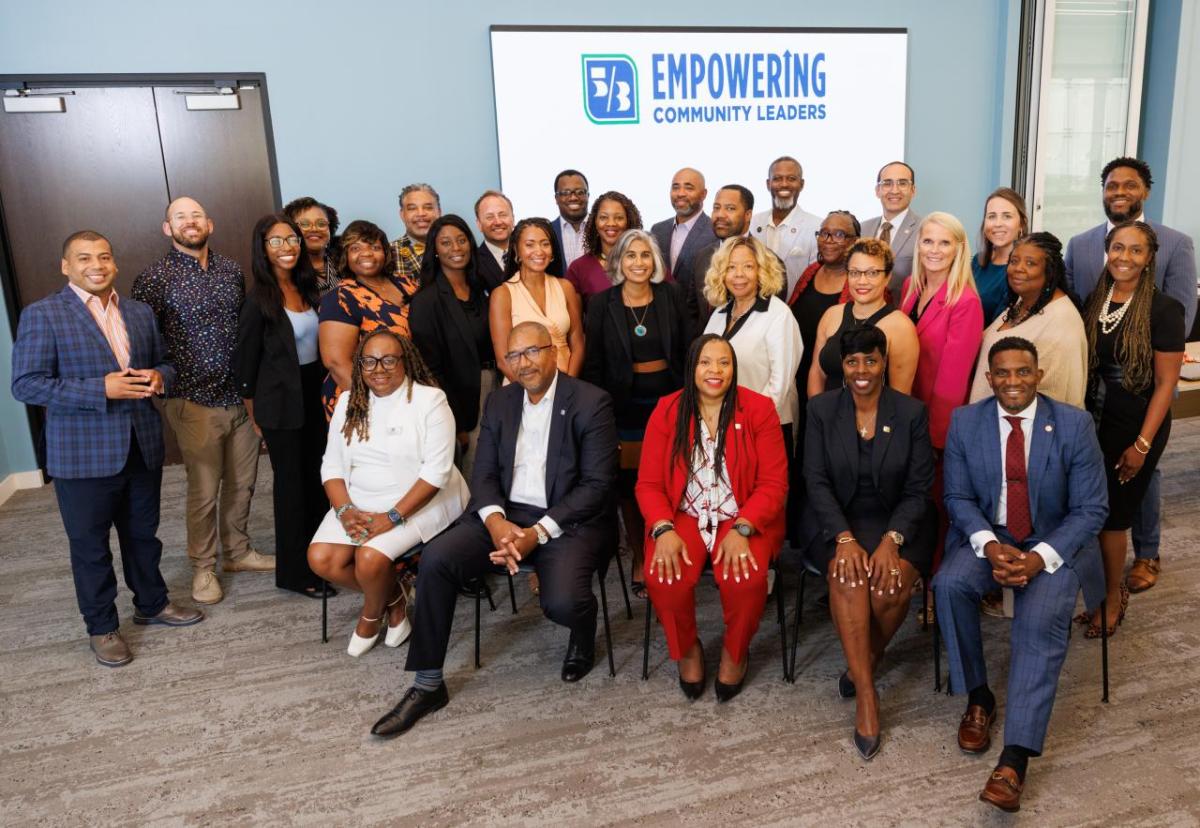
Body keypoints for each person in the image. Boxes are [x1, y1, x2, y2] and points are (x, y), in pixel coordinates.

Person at [369, 322, 618, 738]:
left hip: (566, 520)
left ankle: (583, 626)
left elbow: (597, 485)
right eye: (514, 356)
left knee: (562, 603)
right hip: (503, 516)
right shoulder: (501, 402)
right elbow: (482, 473)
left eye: (533, 351)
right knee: (437, 559)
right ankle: (428, 684)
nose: (524, 363)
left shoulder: (591, 403)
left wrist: (536, 532)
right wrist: (497, 521)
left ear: (554, 351)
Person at [12, 230, 203, 667]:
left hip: (142, 444)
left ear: (114, 263)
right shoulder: (43, 315)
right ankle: (101, 626)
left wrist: (160, 378)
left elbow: (167, 364)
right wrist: (101, 388)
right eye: (84, 258)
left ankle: (151, 604)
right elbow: (26, 385)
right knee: (91, 546)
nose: (96, 264)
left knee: (142, 535)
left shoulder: (137, 312)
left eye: (103, 256)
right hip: (82, 455)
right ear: (66, 266)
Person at [934, 336, 1108, 813]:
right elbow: (958, 500)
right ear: (989, 380)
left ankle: (1014, 760)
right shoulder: (967, 422)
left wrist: (1039, 556)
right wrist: (990, 547)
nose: (1014, 381)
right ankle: (979, 696)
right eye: (1004, 374)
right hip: (990, 536)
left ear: (1039, 375)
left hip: (1054, 542)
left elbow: (1092, 508)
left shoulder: (1073, 424)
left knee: (1038, 622)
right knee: (948, 585)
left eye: (1023, 372)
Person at [800, 326, 936, 759]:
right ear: (842, 365)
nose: (862, 370)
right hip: (837, 520)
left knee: (888, 589)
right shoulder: (821, 410)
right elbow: (815, 482)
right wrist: (843, 537)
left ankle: (865, 661)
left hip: (898, 519)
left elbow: (918, 489)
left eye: (871, 360)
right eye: (853, 361)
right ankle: (867, 695)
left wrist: (892, 540)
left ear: (884, 362)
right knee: (849, 579)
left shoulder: (911, 413)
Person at [1065, 157, 1197, 594]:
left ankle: (1146, 555)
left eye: (1130, 185)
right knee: (1099, 506)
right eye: (1111, 185)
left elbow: (1171, 345)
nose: (1119, 192)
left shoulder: (1173, 256)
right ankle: (1098, 581)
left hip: (1139, 408)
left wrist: (1142, 440)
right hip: (1094, 411)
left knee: (1131, 493)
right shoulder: (1084, 254)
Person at [133, 197, 274, 606]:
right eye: (181, 217)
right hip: (192, 400)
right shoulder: (154, 278)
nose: (190, 222)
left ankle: (238, 552)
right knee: (205, 490)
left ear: (209, 223)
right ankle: (203, 567)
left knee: (243, 483)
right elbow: (144, 341)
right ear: (167, 228)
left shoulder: (231, 270)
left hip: (239, 396)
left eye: (196, 216)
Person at [636, 335, 788, 701]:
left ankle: (736, 653)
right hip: (681, 515)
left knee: (746, 578)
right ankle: (687, 649)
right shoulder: (668, 410)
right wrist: (663, 528)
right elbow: (649, 483)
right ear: (692, 367)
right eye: (706, 362)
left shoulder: (759, 409)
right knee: (663, 575)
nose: (715, 371)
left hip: (740, 515)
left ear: (734, 369)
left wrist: (743, 527)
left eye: (724, 363)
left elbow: (773, 483)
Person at [307, 329, 469, 657]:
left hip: (419, 499)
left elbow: (435, 474)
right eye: (369, 361)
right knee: (321, 559)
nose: (378, 369)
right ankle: (394, 603)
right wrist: (344, 511)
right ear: (359, 365)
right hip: (359, 499)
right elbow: (332, 467)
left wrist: (392, 517)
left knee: (369, 558)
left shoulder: (429, 400)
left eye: (388, 360)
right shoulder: (348, 402)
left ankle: (370, 617)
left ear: (405, 361)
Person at [1078, 220, 1185, 637]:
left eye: (1135, 250)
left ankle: (1111, 598)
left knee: (1114, 518)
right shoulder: (1097, 298)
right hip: (1094, 420)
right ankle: (1100, 592)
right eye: (1117, 248)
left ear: (1149, 258)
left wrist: (1141, 444)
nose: (1125, 257)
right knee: (1093, 513)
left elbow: (1164, 385)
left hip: (1138, 422)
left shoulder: (1164, 309)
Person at [583, 229, 691, 599]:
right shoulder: (601, 304)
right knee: (631, 486)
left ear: (655, 261)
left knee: (673, 477)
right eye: (630, 256)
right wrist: (603, 416)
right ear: (618, 262)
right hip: (624, 409)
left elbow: (690, 351)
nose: (638, 263)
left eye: (645, 255)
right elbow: (593, 365)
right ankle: (641, 556)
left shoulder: (672, 296)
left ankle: (673, 547)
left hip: (671, 405)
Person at [234, 214, 331, 599]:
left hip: (314, 394)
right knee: (292, 490)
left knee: (320, 482)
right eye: (275, 241)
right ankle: (295, 573)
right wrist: (256, 416)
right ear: (263, 249)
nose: (286, 247)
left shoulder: (309, 288)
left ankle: (322, 559)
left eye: (291, 239)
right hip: (280, 405)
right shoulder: (259, 300)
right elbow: (245, 364)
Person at [409, 215, 499, 479]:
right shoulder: (426, 301)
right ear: (435, 250)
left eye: (461, 240)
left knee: (497, 466)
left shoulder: (482, 288)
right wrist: (454, 422)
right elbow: (430, 368)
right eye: (446, 243)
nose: (456, 248)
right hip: (463, 399)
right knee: (474, 471)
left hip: (497, 384)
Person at [702, 236, 803, 456]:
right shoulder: (719, 313)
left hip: (764, 428)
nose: (739, 275)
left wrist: (747, 424)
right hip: (721, 425)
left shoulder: (779, 315)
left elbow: (779, 386)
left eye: (748, 267)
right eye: (731, 267)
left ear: (762, 271)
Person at [969, 232, 1086, 407]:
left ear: (1049, 271)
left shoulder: (1062, 320)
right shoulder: (1022, 301)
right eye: (1014, 261)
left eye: (1030, 263)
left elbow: (1058, 393)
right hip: (988, 418)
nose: (1018, 268)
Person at [901, 213, 985, 452]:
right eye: (928, 241)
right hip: (906, 409)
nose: (934, 250)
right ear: (918, 244)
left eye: (944, 243)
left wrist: (935, 440)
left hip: (934, 424)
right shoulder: (911, 287)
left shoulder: (965, 302)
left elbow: (952, 384)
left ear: (958, 249)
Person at [318, 219, 410, 418]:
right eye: (356, 248)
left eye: (375, 247)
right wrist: (376, 406)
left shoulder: (408, 284)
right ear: (346, 256)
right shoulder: (340, 298)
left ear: (385, 252)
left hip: (406, 392)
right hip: (361, 400)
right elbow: (337, 362)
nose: (366, 253)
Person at [808, 238, 919, 396]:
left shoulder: (901, 327)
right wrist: (817, 415)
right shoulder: (831, 315)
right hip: (826, 416)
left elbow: (899, 396)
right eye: (855, 273)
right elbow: (817, 373)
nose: (862, 281)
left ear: (887, 277)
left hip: (874, 419)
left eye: (872, 273)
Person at [490, 217, 585, 380]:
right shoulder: (503, 294)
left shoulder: (565, 287)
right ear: (516, 250)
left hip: (567, 385)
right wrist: (535, 395)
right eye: (530, 244)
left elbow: (578, 345)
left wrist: (568, 387)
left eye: (545, 244)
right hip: (521, 389)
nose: (539, 251)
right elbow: (503, 359)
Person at [750, 156, 821, 297]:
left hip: (797, 312)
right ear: (768, 184)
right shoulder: (752, 223)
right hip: (754, 310)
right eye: (777, 179)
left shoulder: (817, 227)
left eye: (791, 179)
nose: (784, 184)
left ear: (801, 184)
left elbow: (817, 277)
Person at [690, 184, 756, 327]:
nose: (720, 214)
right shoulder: (702, 256)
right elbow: (693, 314)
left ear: (748, 215)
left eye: (730, 208)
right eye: (716, 208)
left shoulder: (768, 261)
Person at [565, 190, 644, 302]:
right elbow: (575, 318)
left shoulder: (645, 262)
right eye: (603, 217)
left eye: (619, 218)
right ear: (594, 222)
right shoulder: (578, 268)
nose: (611, 223)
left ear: (628, 222)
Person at [650, 167, 717, 296]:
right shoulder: (658, 230)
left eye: (689, 188)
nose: (680, 193)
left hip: (698, 314)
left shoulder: (714, 233)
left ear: (704, 194)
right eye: (675, 187)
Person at [861, 161, 922, 302]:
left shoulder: (925, 230)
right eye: (887, 183)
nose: (894, 190)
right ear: (878, 191)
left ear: (913, 190)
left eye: (902, 183)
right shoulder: (862, 229)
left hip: (904, 316)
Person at [972, 188, 1029, 325]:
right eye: (992, 216)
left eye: (1007, 216)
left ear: (1021, 223)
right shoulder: (976, 261)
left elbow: (1004, 326)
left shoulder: (1023, 272)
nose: (998, 224)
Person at [392, 183, 442, 296]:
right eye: (412, 208)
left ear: (439, 212)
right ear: (402, 214)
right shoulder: (388, 254)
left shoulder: (455, 250)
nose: (421, 214)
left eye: (428, 207)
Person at [283, 195, 341, 294]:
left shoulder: (344, 260)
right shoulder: (286, 272)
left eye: (321, 224)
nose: (314, 229)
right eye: (305, 224)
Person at [550, 169, 589, 272]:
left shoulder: (602, 229)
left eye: (580, 192)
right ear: (556, 198)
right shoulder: (547, 232)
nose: (573, 197)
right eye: (565, 193)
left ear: (588, 196)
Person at [474, 189, 514, 290]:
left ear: (513, 219)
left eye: (503, 215)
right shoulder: (473, 263)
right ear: (479, 224)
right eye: (489, 217)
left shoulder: (528, 254)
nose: (498, 222)